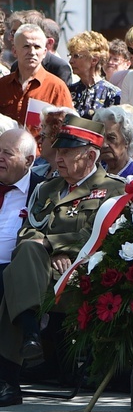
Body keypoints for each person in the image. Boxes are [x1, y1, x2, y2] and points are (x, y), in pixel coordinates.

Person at [0, 115, 125, 407]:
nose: (58, 157)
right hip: (40, 271)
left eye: (68, 152)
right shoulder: (46, 188)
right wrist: (44, 245)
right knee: (26, 253)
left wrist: (56, 245)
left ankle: (9, 377)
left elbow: (99, 232)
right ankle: (29, 334)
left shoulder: (113, 189)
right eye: (58, 151)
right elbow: (30, 227)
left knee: (17, 274)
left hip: (80, 273)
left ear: (91, 155)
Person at [0, 129, 44, 305]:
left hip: (10, 277)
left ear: (29, 161)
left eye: (7, 153)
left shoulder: (42, 190)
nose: (0, 156)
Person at [0, 24, 74, 127]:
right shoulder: (2, 85)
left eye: (37, 47)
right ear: (14, 51)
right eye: (26, 46)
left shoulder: (57, 88)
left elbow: (68, 128)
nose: (32, 52)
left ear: (44, 53)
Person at [7, 10, 73, 86]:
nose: (10, 38)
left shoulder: (59, 68)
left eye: (14, 33)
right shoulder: (15, 66)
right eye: (11, 33)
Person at [67, 31, 121, 119]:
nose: (71, 61)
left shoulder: (112, 94)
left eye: (76, 56)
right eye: (71, 56)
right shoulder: (69, 91)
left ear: (94, 60)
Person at [92, 106, 133, 178]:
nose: (104, 145)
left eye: (111, 138)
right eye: (100, 138)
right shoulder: (94, 170)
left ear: (127, 140)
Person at [32, 106, 78, 179]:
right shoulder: (34, 171)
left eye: (43, 136)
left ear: (57, 140)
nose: (39, 141)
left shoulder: (69, 179)